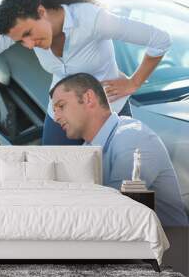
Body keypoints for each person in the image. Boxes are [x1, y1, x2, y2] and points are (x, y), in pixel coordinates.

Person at [0, 0, 171, 145]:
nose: (28, 45)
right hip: (61, 118)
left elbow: (159, 39)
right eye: (20, 42)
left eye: (28, 34)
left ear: (41, 12)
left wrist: (134, 82)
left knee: (114, 187)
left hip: (108, 112)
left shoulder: (92, 20)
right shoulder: (17, 27)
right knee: (61, 189)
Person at [50, 72, 188, 226]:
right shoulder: (88, 149)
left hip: (168, 246)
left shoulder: (133, 138)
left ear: (88, 98)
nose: (56, 118)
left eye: (61, 106)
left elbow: (115, 214)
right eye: (55, 111)